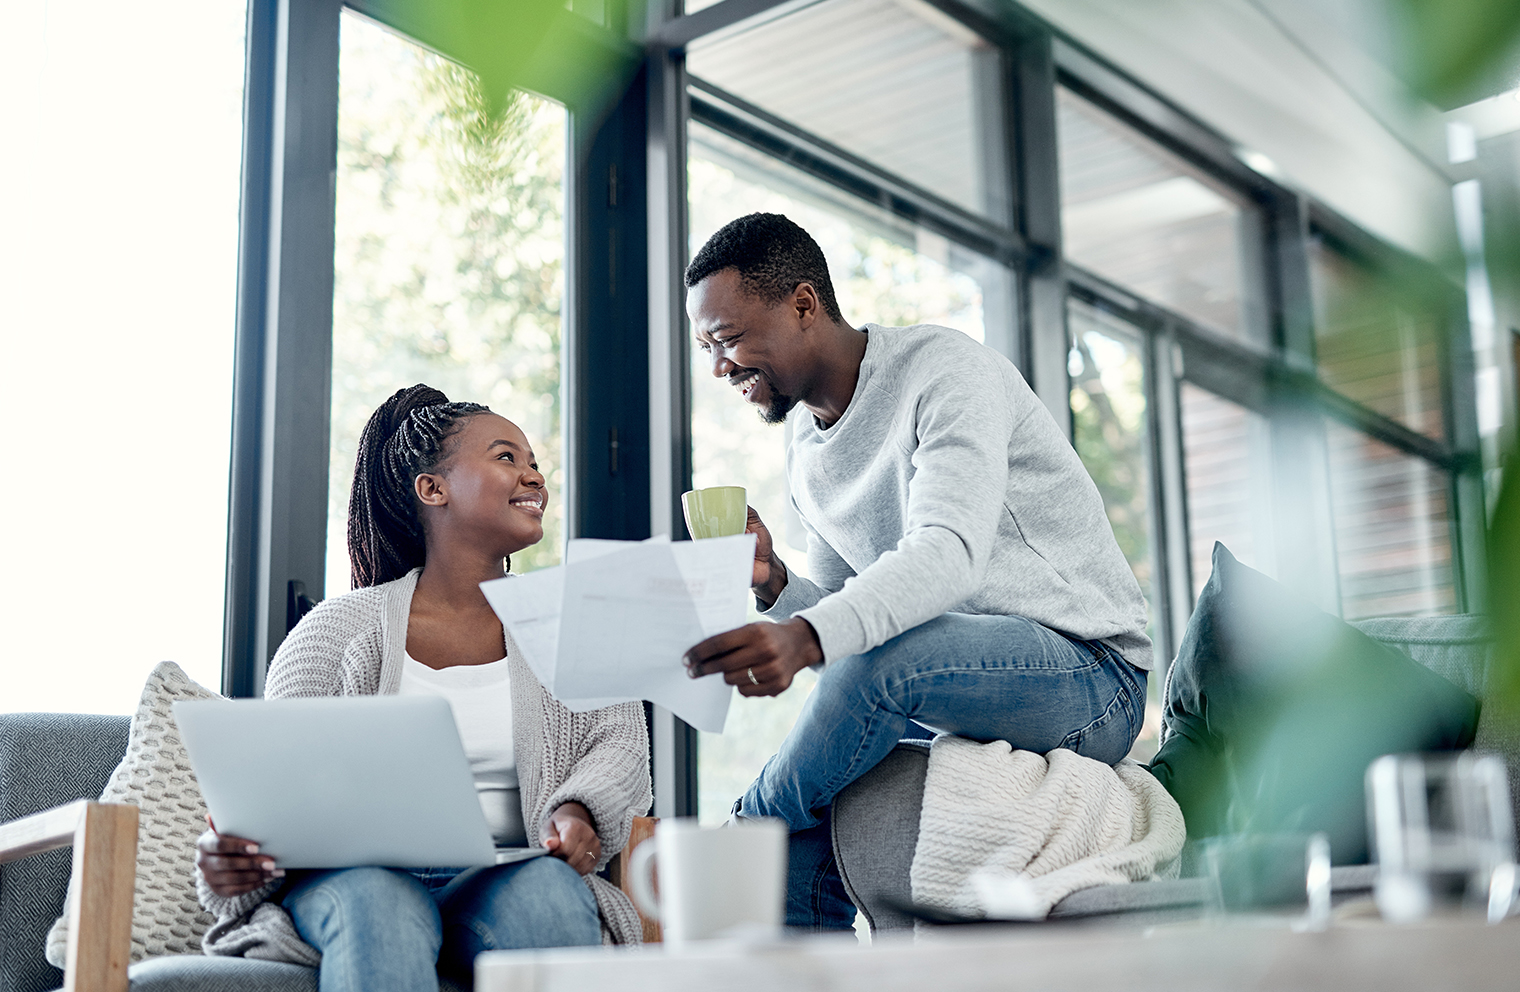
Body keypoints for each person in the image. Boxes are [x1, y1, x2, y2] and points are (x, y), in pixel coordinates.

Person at [680, 213, 1152, 931]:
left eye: (730, 338)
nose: (719, 366)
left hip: (1092, 675)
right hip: (961, 683)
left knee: (874, 672)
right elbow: (851, 609)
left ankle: (744, 828)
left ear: (804, 305)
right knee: (815, 817)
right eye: (706, 347)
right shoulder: (805, 444)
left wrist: (805, 637)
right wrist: (777, 584)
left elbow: (947, 553)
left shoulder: (944, 370)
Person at [195, 385, 651, 990]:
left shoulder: (572, 627)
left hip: (505, 873)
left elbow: (620, 743)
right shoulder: (337, 631)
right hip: (354, 879)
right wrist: (232, 861)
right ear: (432, 489)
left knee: (550, 897)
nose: (535, 476)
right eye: (507, 458)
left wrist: (578, 809)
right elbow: (272, 781)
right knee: (378, 904)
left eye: (535, 463)